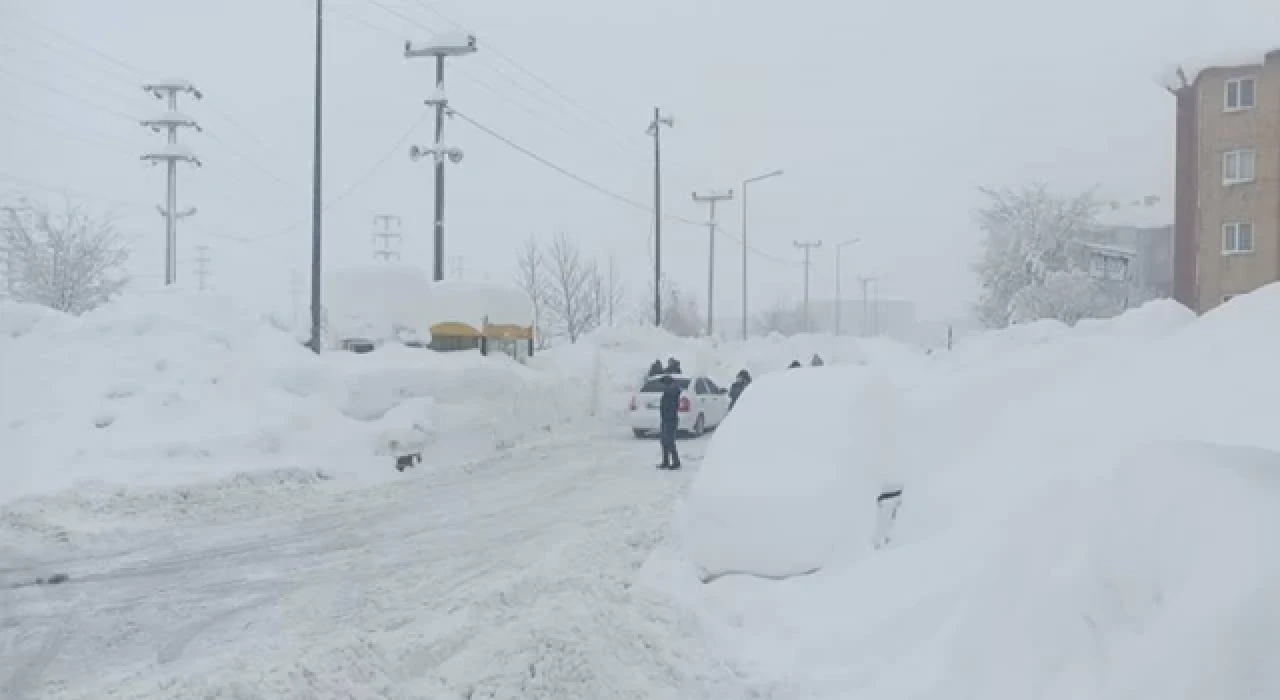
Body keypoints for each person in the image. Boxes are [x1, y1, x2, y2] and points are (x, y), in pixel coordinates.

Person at [657, 374, 682, 469]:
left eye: (663, 384)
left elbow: (670, 406)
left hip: (670, 419)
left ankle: (676, 462)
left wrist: (666, 416)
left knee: (670, 441)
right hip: (666, 419)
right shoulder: (669, 391)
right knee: (664, 441)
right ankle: (666, 461)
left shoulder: (671, 392)